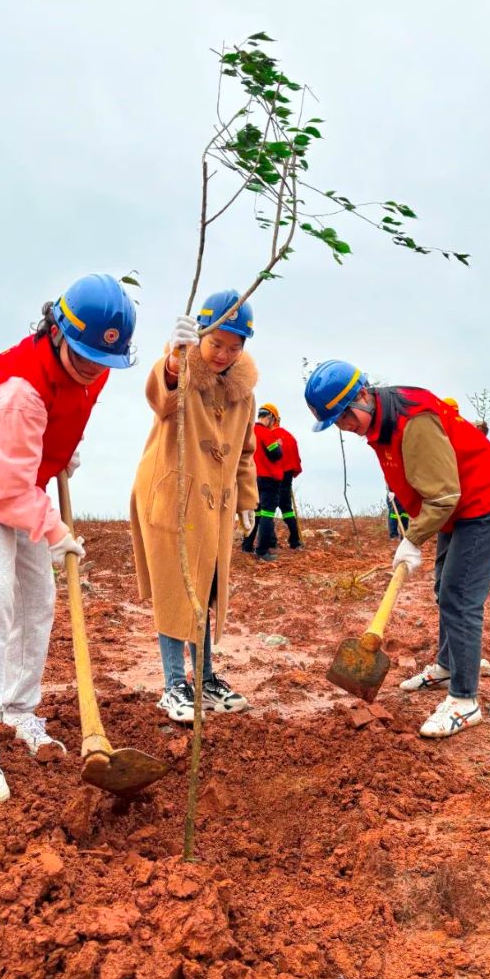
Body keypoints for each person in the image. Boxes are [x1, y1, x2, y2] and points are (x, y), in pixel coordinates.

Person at [0, 274, 136, 805]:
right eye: (84, 356)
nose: (92, 368)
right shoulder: (17, 392)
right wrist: (55, 529)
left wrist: (61, 447)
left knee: (37, 596)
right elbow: (5, 495)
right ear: (56, 331)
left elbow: (73, 403)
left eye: (102, 361)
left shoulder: (94, 364)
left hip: (20, 472)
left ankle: (19, 711)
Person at [305, 361, 490, 738]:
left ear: (363, 395)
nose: (345, 427)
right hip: (455, 509)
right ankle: (447, 666)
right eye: (336, 422)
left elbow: (444, 495)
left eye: (345, 416)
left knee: (461, 597)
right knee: (444, 588)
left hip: (483, 501)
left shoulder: (413, 421)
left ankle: (464, 700)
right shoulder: (379, 420)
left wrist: (413, 538)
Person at [130, 290, 257, 724]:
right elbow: (160, 398)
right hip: (172, 497)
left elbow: (244, 452)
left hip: (214, 507)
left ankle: (204, 679)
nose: (223, 354)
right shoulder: (182, 371)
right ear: (201, 336)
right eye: (216, 343)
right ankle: (174, 686)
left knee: (205, 589)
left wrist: (246, 499)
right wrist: (172, 360)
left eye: (234, 347)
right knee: (175, 590)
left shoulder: (243, 393)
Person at [241, 402, 285, 561]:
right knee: (267, 514)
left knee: (256, 513)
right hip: (269, 479)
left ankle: (247, 546)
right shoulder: (266, 433)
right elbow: (275, 454)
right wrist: (278, 445)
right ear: (271, 417)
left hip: (253, 478)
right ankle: (262, 551)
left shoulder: (249, 431)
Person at [264, 404, 304, 550]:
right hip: (287, 477)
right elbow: (297, 460)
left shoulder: (267, 436)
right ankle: (295, 541)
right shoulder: (290, 436)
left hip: (272, 477)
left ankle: (271, 541)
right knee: (287, 508)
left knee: (267, 509)